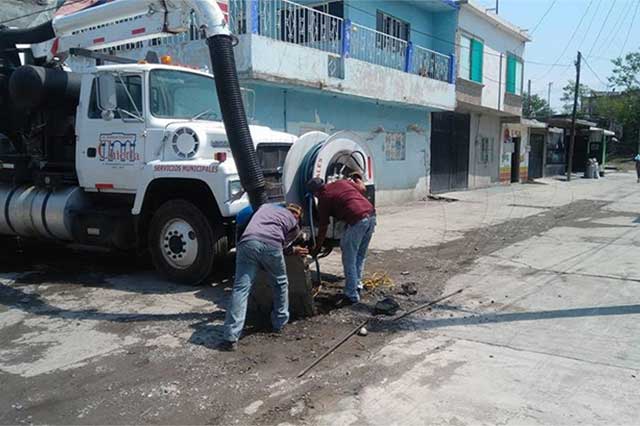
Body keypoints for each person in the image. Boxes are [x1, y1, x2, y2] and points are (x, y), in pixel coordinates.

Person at [221, 203, 308, 351]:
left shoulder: (265, 207)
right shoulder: (294, 225)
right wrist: (294, 250)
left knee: (241, 289)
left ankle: (231, 336)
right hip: (271, 245)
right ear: (298, 216)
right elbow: (283, 246)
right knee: (280, 283)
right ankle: (279, 323)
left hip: (247, 242)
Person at [307, 175, 376, 304]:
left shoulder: (323, 198)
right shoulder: (341, 182)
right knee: (360, 255)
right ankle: (357, 285)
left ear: (315, 193)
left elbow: (323, 228)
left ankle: (351, 295)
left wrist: (317, 247)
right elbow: (362, 189)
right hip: (371, 216)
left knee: (349, 258)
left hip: (357, 221)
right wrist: (357, 177)